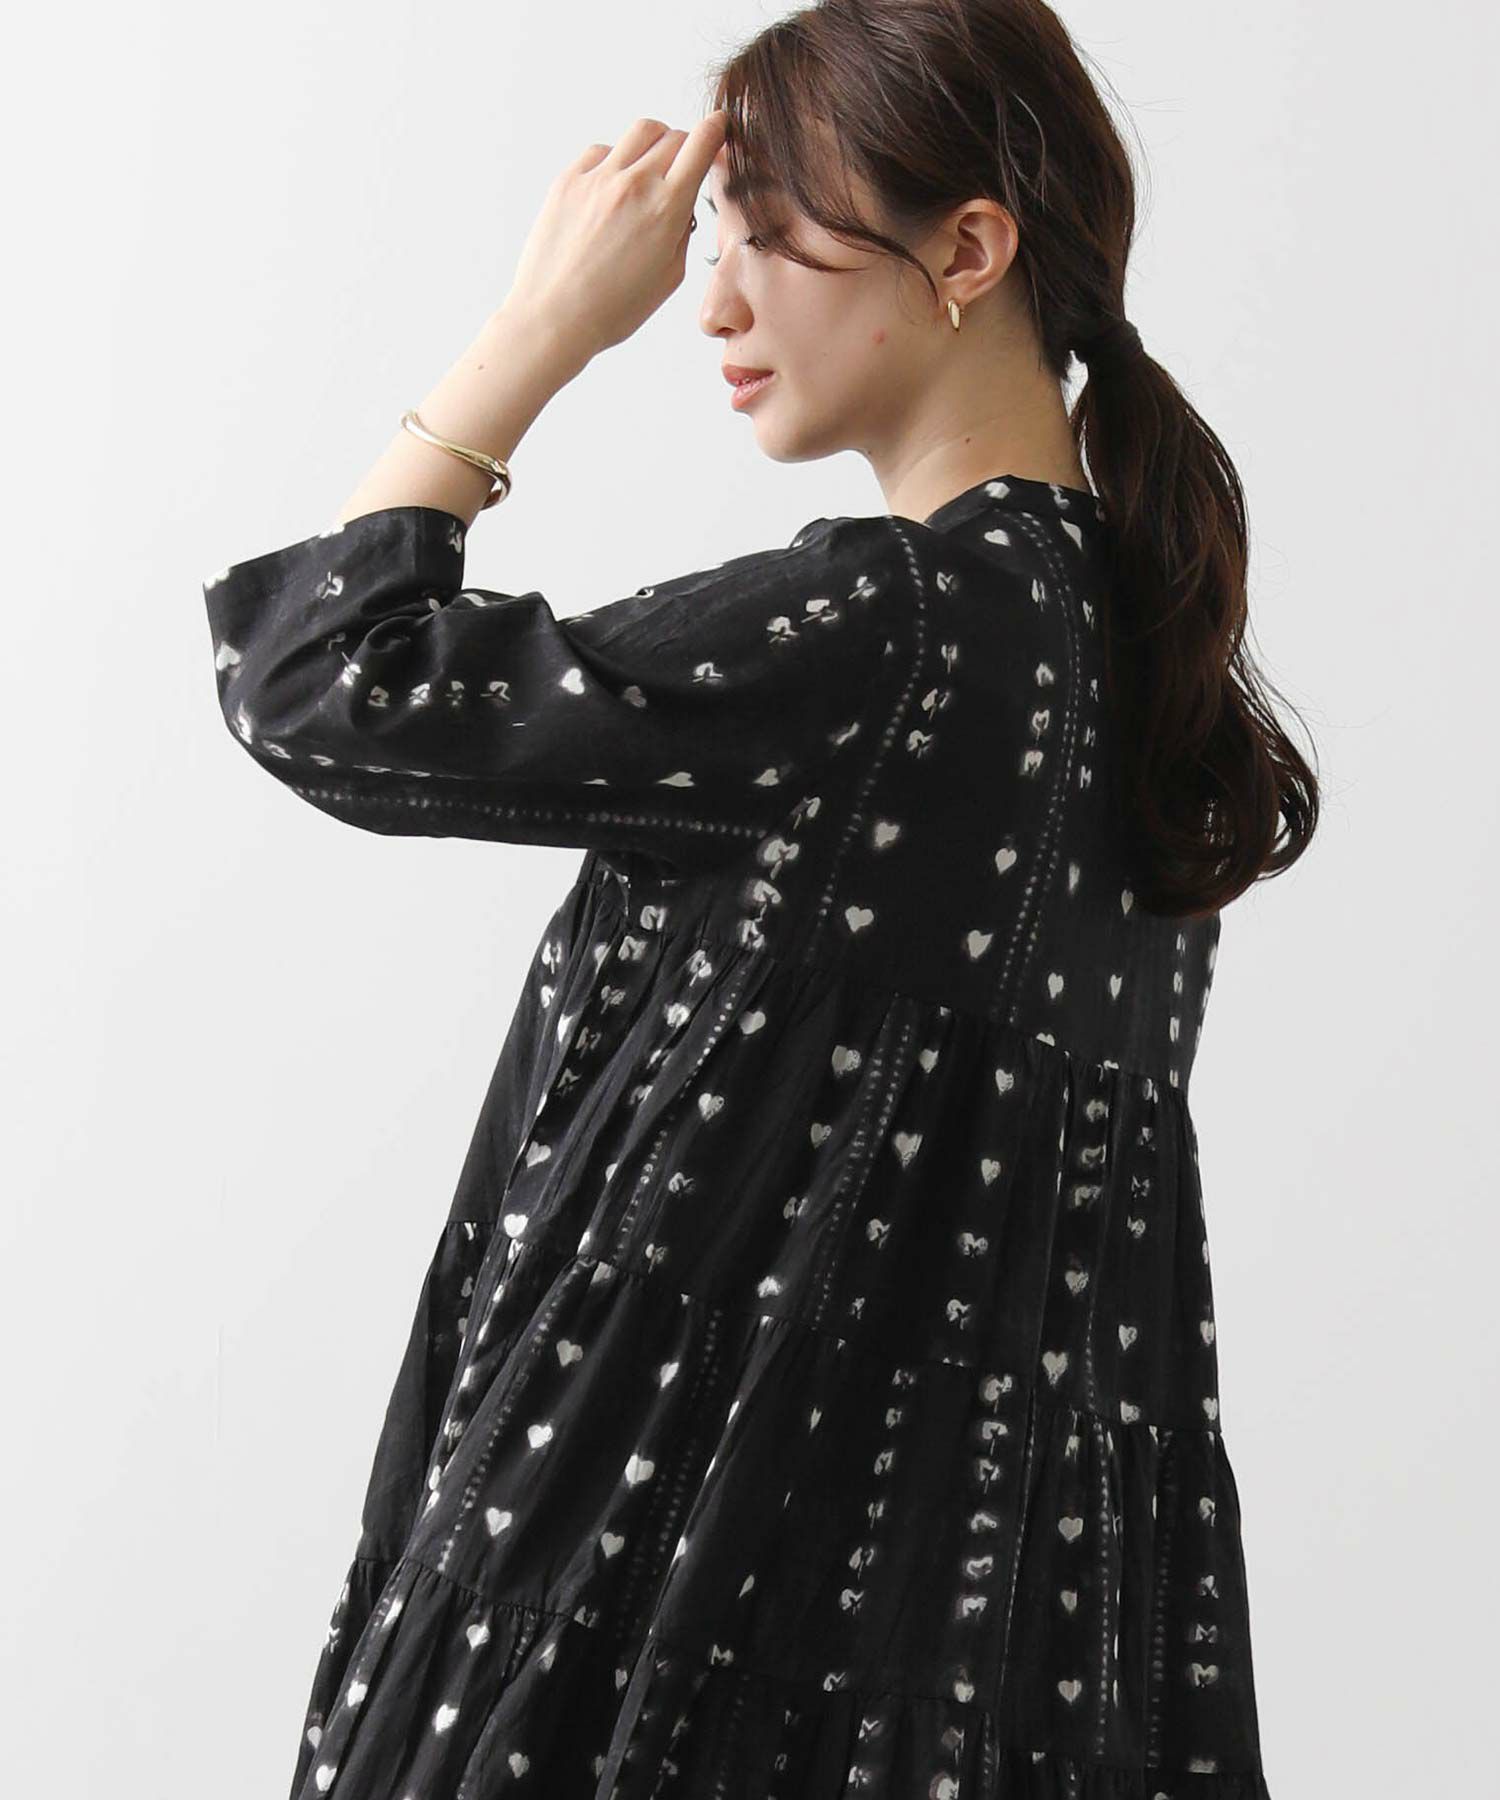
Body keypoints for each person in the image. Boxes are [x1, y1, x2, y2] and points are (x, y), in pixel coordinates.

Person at [203, 6, 1315, 1796]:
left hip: (657, 1615)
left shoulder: (890, 627)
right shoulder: (1131, 661)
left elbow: (323, 680)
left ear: (969, 251)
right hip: (966, 1662)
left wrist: (532, 333)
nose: (712, 304)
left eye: (770, 239)